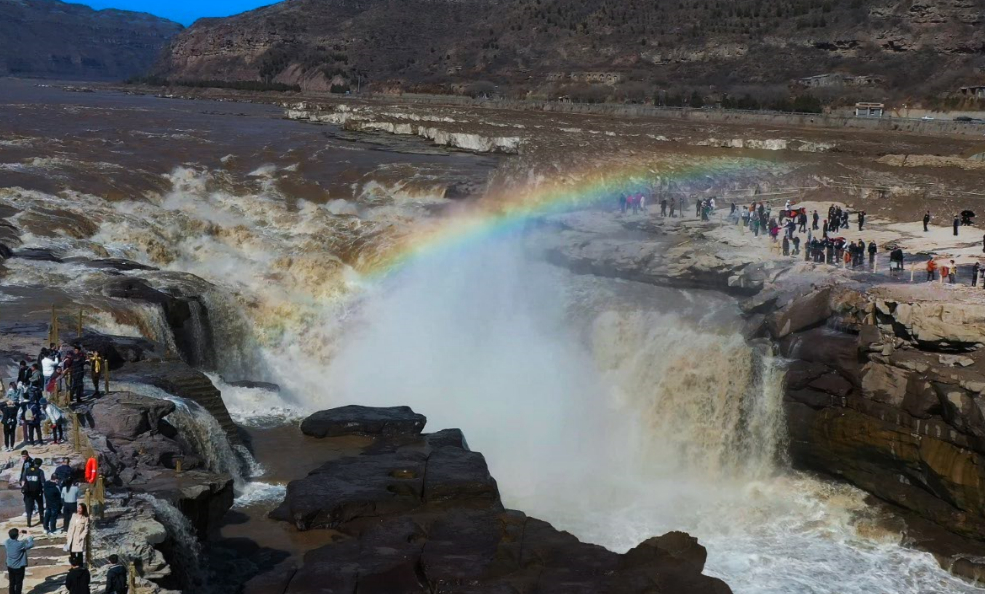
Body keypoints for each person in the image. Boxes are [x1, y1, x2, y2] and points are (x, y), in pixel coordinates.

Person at [3, 528, 34, 594]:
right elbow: (30, 544)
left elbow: (13, 538)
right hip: (18, 567)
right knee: (18, 583)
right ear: (17, 535)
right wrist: (30, 536)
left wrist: (17, 532)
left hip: (10, 565)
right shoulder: (20, 544)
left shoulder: (7, 542)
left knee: (12, 582)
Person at [21, 457, 44, 528]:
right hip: (37, 492)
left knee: (29, 508)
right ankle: (41, 520)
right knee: (40, 506)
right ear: (40, 464)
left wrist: (23, 489)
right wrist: (43, 490)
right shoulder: (40, 471)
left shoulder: (27, 470)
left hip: (28, 492)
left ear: (34, 463)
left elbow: (23, 481)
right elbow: (43, 482)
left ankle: (29, 523)